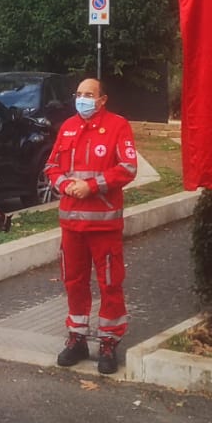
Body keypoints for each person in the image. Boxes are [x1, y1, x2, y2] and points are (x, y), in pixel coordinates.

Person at [44, 77, 138, 375]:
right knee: (73, 281)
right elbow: (51, 166)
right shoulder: (68, 126)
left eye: (89, 95)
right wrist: (64, 184)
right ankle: (77, 338)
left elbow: (127, 167)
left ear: (102, 99)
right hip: (71, 224)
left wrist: (93, 186)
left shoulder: (118, 126)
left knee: (110, 283)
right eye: (79, 94)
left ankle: (109, 341)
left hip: (103, 225)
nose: (82, 99)